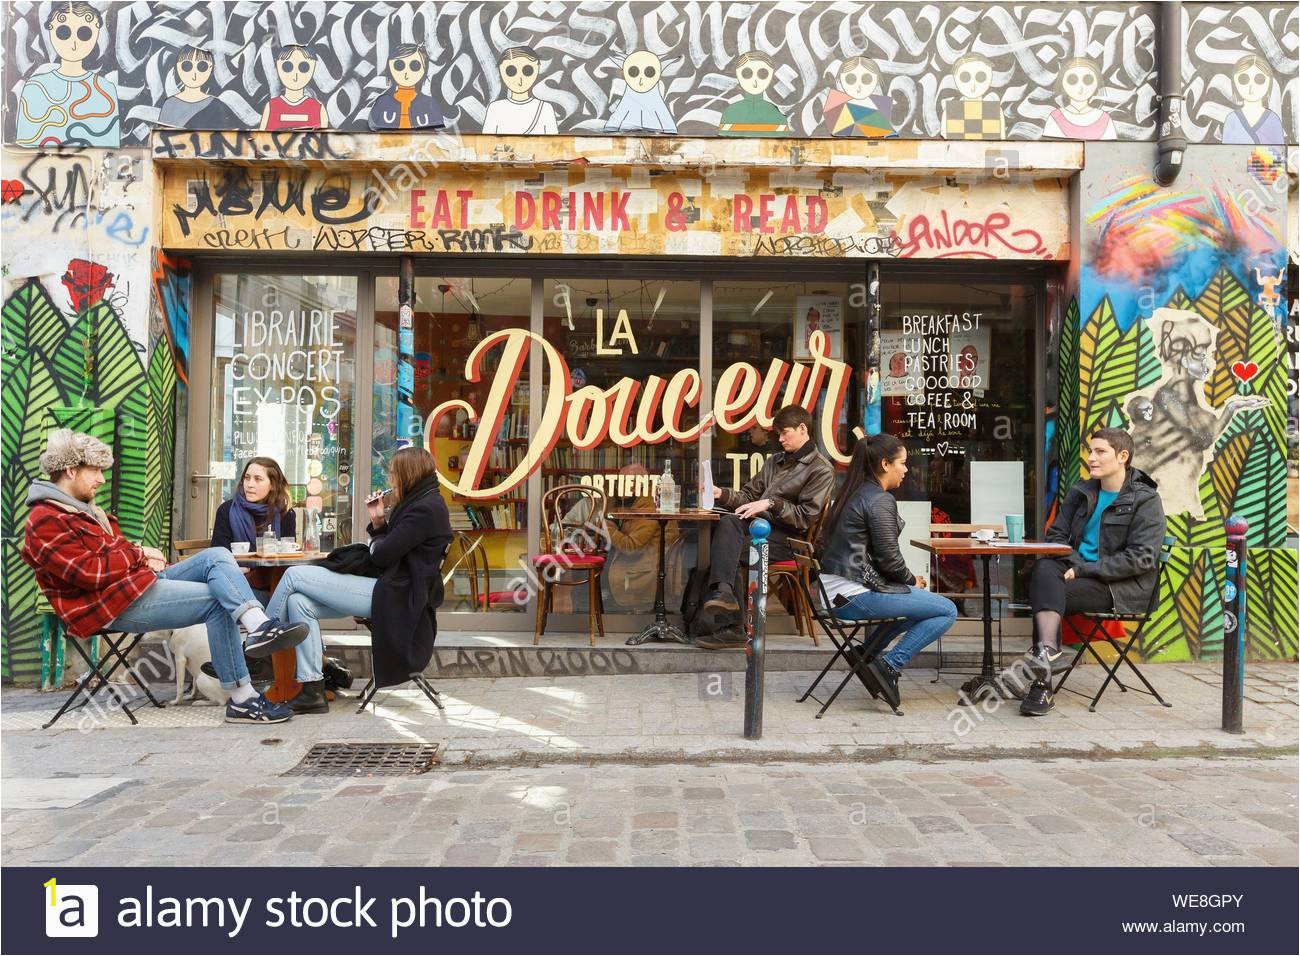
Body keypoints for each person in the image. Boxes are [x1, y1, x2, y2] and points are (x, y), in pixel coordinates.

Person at [21, 430, 308, 724]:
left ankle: (258, 627)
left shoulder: (81, 511)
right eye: (95, 470)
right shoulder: (46, 519)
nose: (102, 479)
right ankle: (243, 699)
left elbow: (112, 555)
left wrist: (139, 555)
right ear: (70, 469)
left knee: (217, 556)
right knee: (219, 601)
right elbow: (89, 573)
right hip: (112, 604)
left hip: (135, 585)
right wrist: (138, 554)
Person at [266, 446, 452, 714]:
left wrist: (377, 539)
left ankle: (258, 647)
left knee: (294, 574)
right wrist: (378, 522)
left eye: (393, 474)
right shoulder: (420, 502)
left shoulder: (426, 508)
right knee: (298, 602)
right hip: (389, 588)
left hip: (394, 595)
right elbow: (392, 548)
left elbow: (382, 555)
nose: (390, 480)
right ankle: (312, 689)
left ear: (406, 474)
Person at [1021, 428, 1166, 716]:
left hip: (1119, 587)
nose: (1092, 458)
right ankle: (1048, 653)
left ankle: (1042, 684)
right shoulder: (1082, 491)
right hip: (1077, 574)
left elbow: (1142, 558)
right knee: (1044, 569)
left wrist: (1085, 569)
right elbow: (1057, 537)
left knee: (1047, 593)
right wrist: (1075, 565)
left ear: (1122, 456)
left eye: (1100, 451)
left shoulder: (1145, 500)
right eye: (1091, 451)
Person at [817, 434, 957, 709]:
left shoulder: (850, 494)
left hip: (836, 593)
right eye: (902, 463)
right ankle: (889, 666)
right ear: (884, 463)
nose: (906, 470)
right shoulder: (879, 500)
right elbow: (889, 559)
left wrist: (905, 582)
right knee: (946, 610)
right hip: (853, 595)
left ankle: (867, 655)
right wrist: (911, 579)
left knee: (917, 608)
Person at [695, 404, 835, 648]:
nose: (780, 439)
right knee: (728, 523)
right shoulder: (775, 461)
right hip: (762, 531)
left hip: (792, 541)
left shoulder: (821, 469)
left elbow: (805, 518)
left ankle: (734, 625)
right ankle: (725, 595)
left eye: (784, 433)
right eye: (777, 434)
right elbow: (749, 495)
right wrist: (721, 494)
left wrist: (772, 504)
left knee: (728, 550)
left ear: (803, 429)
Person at [211, 456, 297, 591]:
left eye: (258, 479)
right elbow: (218, 553)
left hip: (275, 582)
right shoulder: (226, 510)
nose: (249, 484)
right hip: (234, 580)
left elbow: (287, 556)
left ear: (273, 485)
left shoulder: (285, 513)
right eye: (247, 478)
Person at [485, 47, 558, 134]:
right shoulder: (495, 109)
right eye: (511, 71)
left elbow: (553, 143)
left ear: (536, 70)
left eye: (527, 71)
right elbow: (487, 141)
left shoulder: (545, 108)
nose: (520, 79)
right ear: (501, 72)